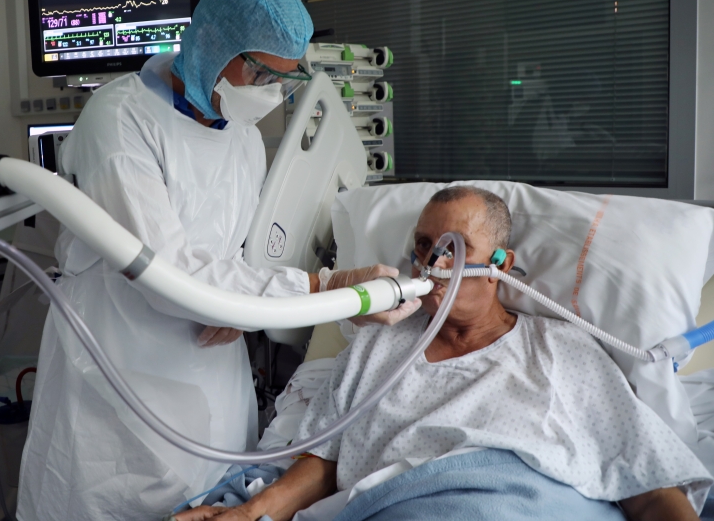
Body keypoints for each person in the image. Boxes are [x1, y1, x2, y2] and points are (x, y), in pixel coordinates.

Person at [15, 0, 420, 521]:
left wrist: (244, 304)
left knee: (218, 496)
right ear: (211, 43)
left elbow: (237, 253)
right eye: (257, 70)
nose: (268, 92)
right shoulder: (120, 120)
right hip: (118, 369)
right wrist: (316, 288)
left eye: (282, 79)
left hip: (212, 367)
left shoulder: (244, 137)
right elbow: (163, 273)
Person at [176, 186, 712, 521]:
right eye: (423, 247)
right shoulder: (377, 348)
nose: (432, 261)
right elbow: (322, 460)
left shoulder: (558, 346)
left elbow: (643, 482)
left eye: (454, 248)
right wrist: (251, 514)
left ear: (501, 261)